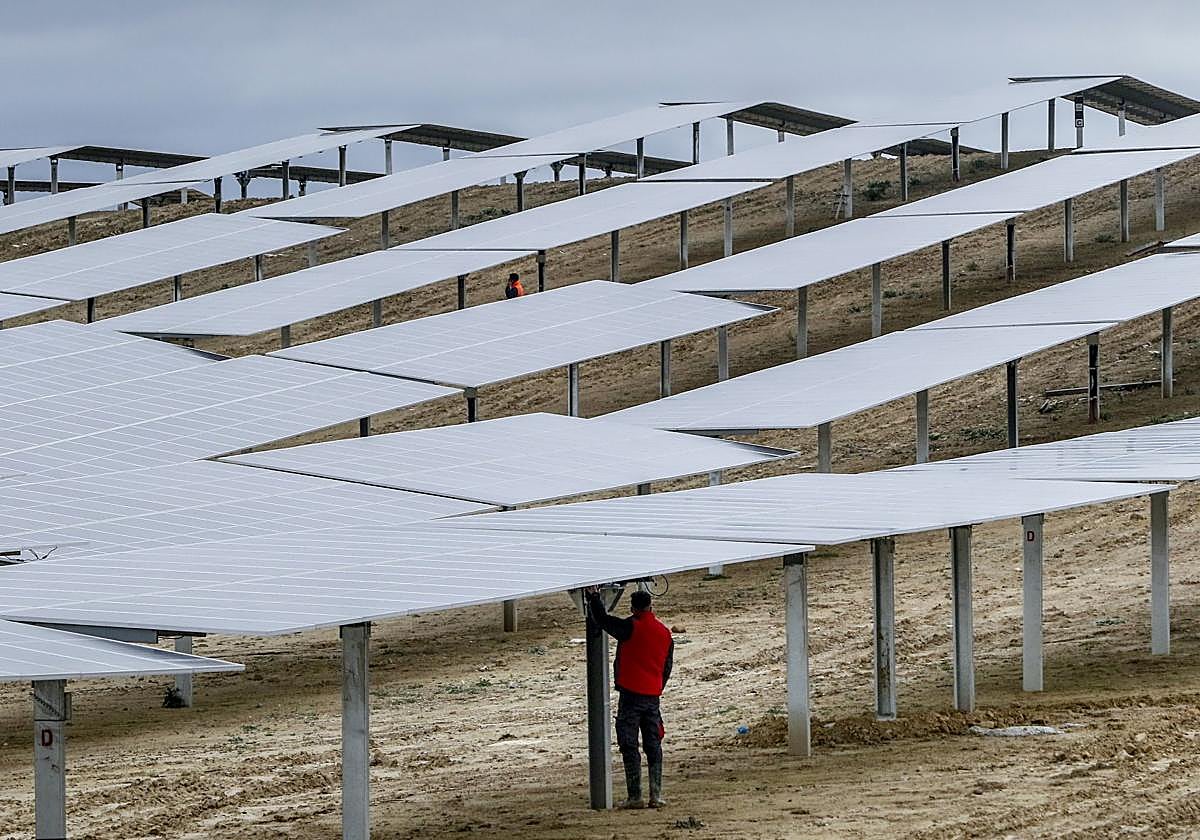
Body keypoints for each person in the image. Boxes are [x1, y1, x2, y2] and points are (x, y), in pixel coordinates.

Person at [585, 588, 674, 809]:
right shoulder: (665, 633)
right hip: (652, 697)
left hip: (631, 696)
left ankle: (635, 796)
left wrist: (594, 597)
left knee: (629, 744)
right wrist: (656, 687)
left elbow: (603, 620)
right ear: (651, 607)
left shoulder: (630, 627)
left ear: (633, 608)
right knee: (653, 744)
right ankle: (656, 795)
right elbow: (667, 667)